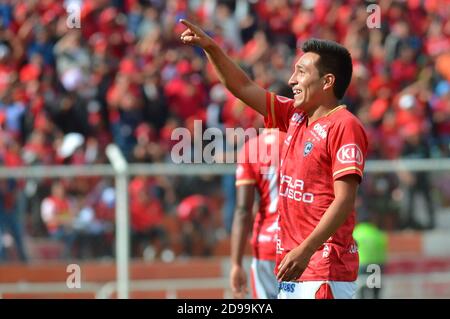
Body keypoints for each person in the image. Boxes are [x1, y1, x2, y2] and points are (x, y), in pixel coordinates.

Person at [179, 19, 368, 299]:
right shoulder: (294, 116)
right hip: (293, 267)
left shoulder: (344, 125)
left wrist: (305, 251)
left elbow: (344, 201)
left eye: (301, 72)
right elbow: (242, 87)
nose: (292, 80)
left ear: (327, 81)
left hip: (323, 268)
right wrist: (211, 48)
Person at [230, 128, 286, 299]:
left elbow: (243, 210)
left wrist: (236, 263)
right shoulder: (304, 139)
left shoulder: (251, 147)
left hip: (266, 243)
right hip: (300, 243)